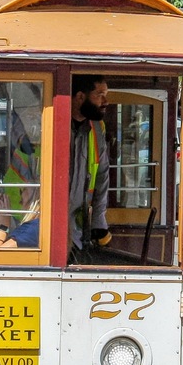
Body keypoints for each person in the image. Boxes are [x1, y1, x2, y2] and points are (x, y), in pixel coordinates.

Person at [69, 75, 112, 256]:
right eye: (100, 94)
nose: (105, 101)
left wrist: (98, 221)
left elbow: (102, 175)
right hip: (41, 224)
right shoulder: (50, 123)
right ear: (80, 97)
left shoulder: (97, 127)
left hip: (77, 227)